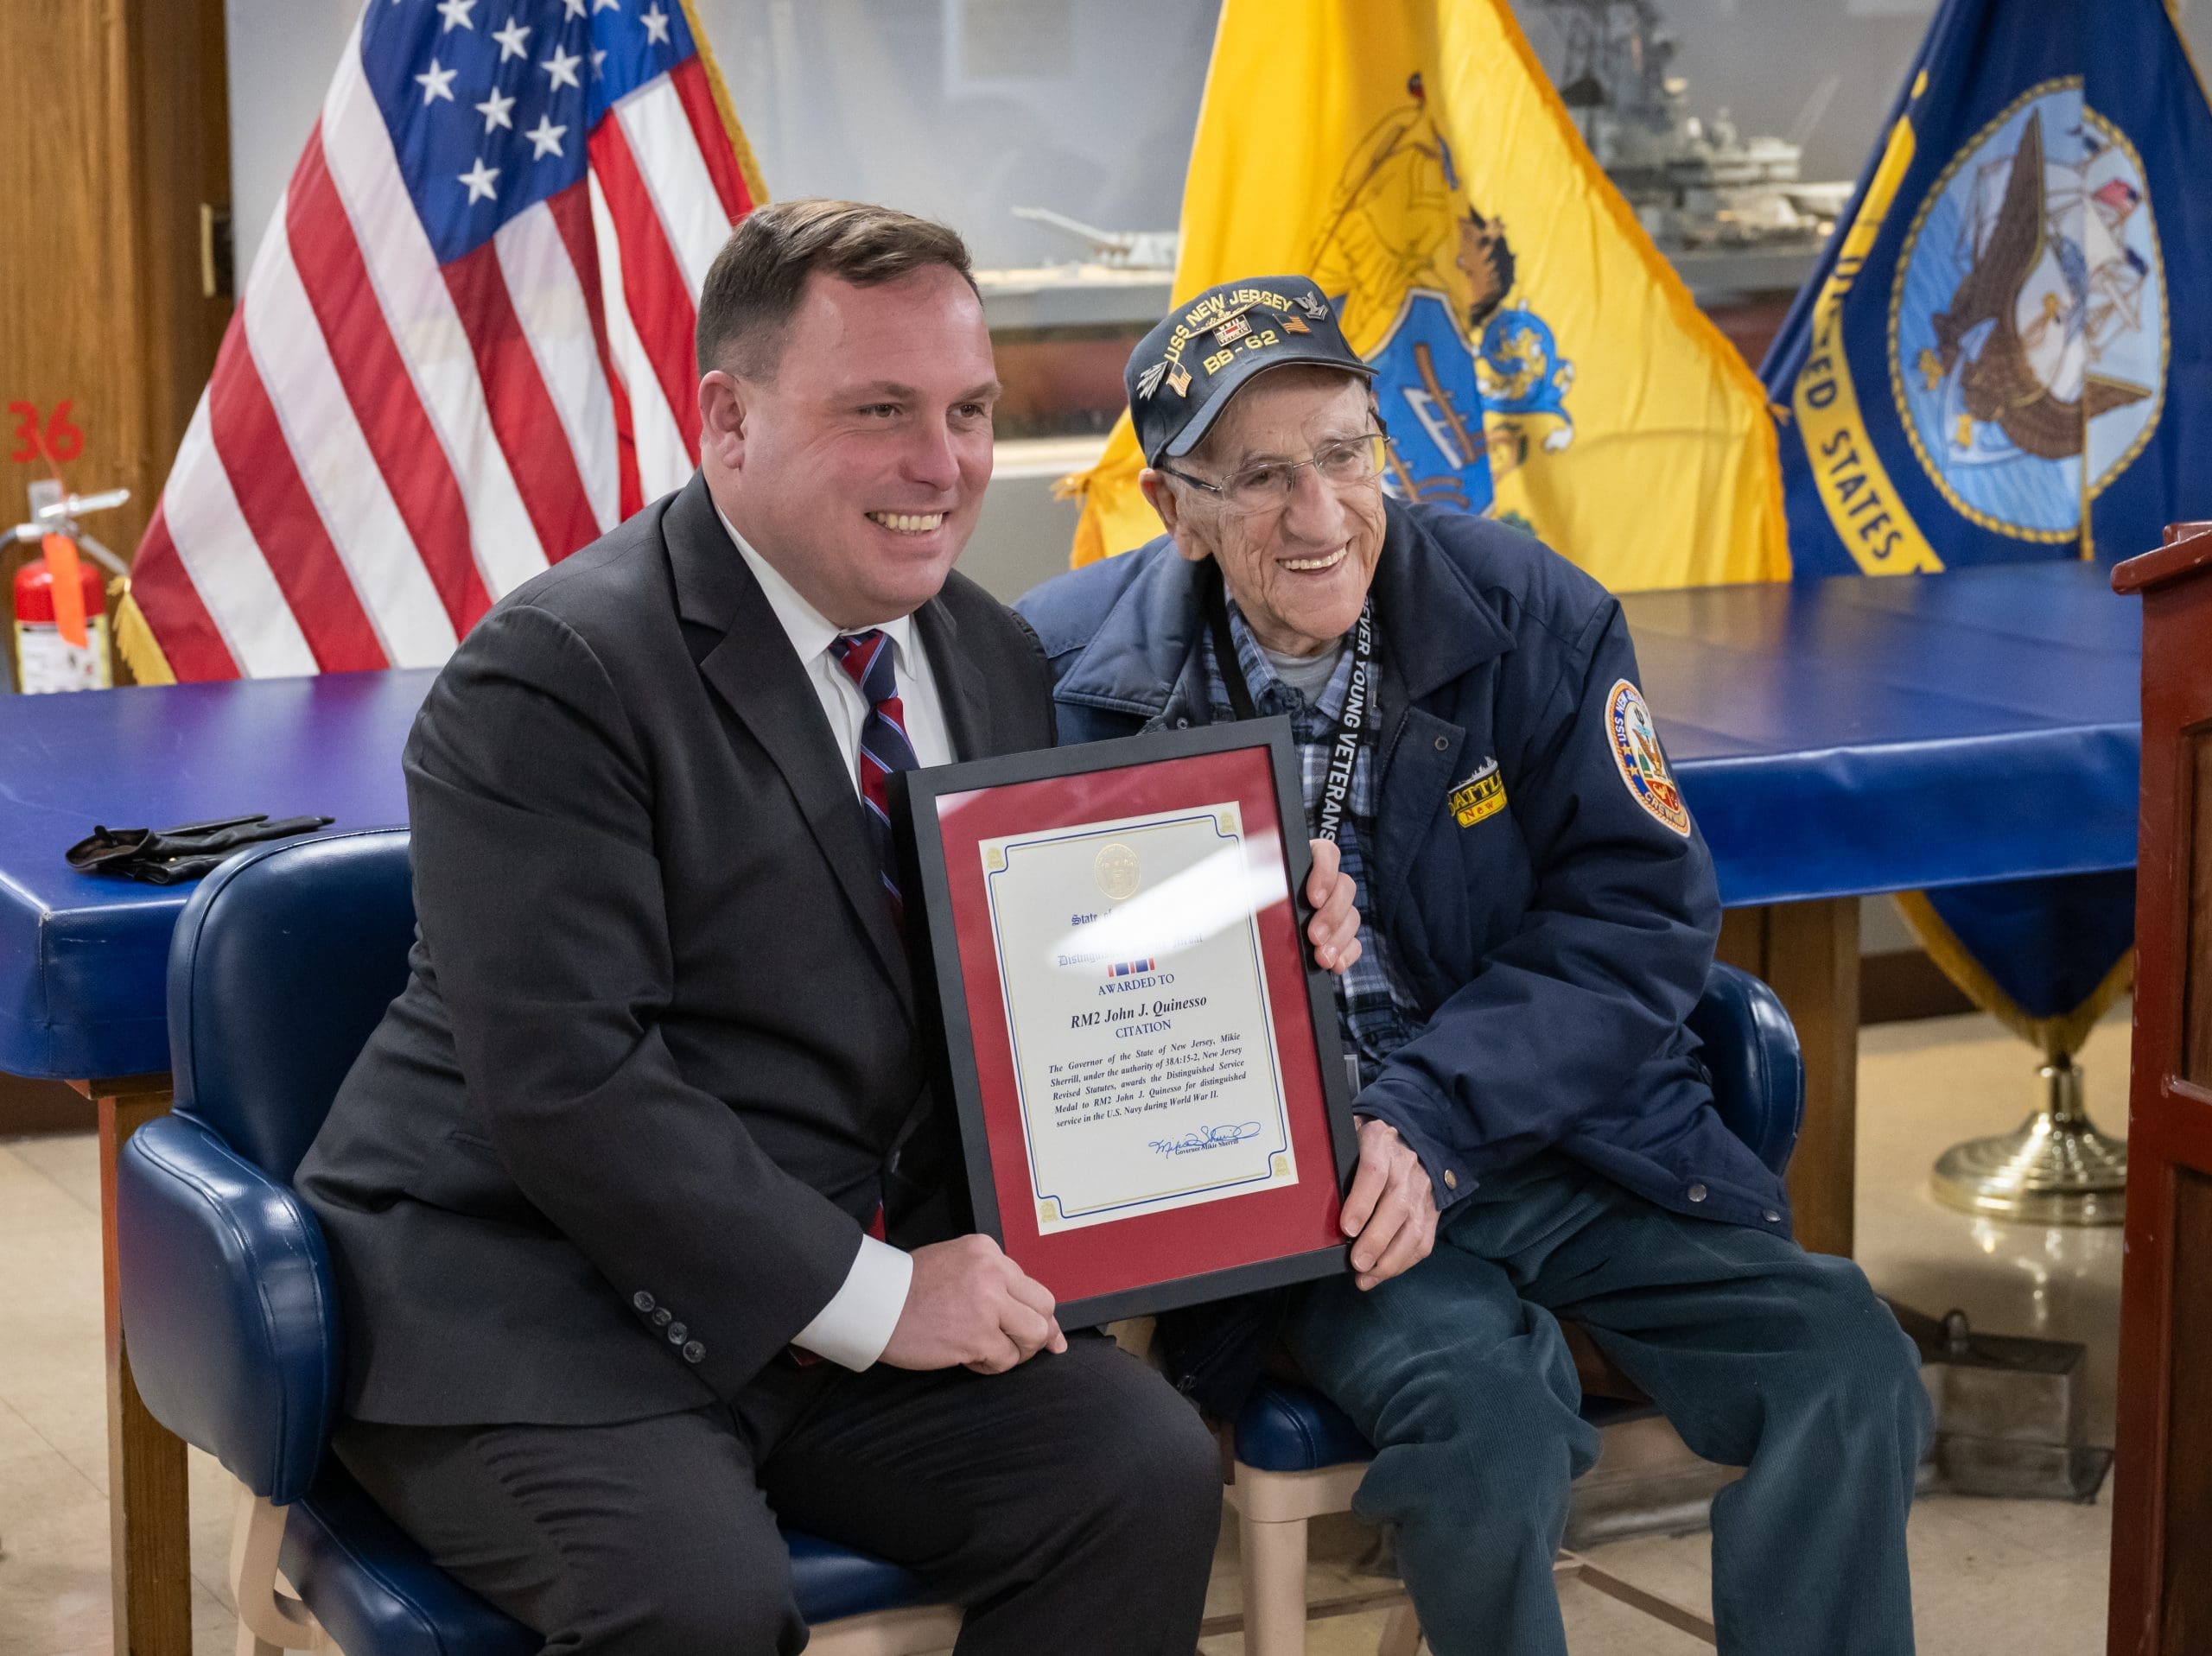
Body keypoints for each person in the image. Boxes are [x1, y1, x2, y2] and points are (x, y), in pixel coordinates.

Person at [296, 206, 1363, 1656]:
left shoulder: (990, 651)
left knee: (1141, 1466)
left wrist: (1248, 939)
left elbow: (1026, 974)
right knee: (698, 1603)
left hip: (840, 1296)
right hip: (547, 1294)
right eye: (881, 412)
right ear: (727, 421)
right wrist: (874, 1295)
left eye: (971, 411)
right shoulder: (554, 674)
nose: (944, 464)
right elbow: (569, 1084)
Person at [1015, 275, 1934, 1656]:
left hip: (1571, 1138)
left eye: (1342, 454)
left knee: (1848, 1361)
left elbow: (1635, 917)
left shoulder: (1537, 616)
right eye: (1261, 478)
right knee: (1489, 1438)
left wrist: (1436, 1114)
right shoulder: (1062, 674)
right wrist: (1233, 947)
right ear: (1174, 509)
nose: (1321, 516)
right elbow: (1039, 980)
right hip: (1314, 1197)